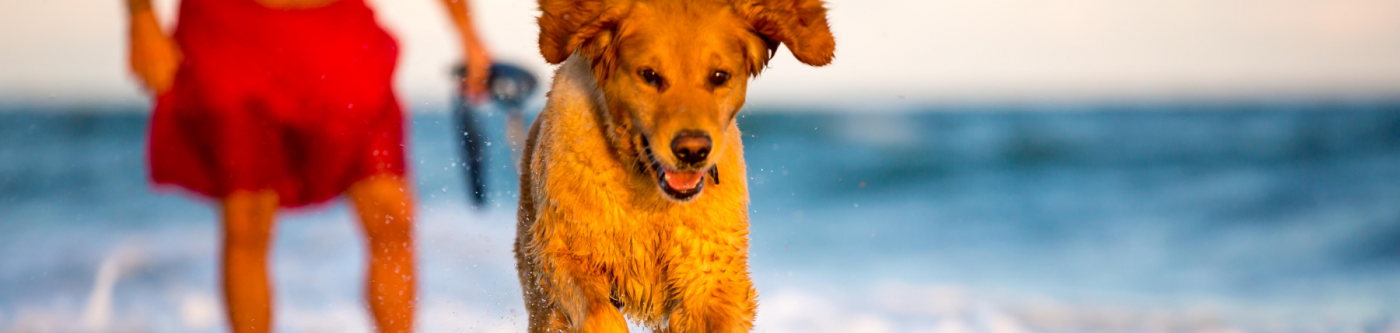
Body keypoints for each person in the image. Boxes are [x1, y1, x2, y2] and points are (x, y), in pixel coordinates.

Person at [124, 0, 491, 331]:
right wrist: (141, 17)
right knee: (247, 220)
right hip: (232, 27)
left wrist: (468, 35)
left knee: (391, 213)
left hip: (338, 27)